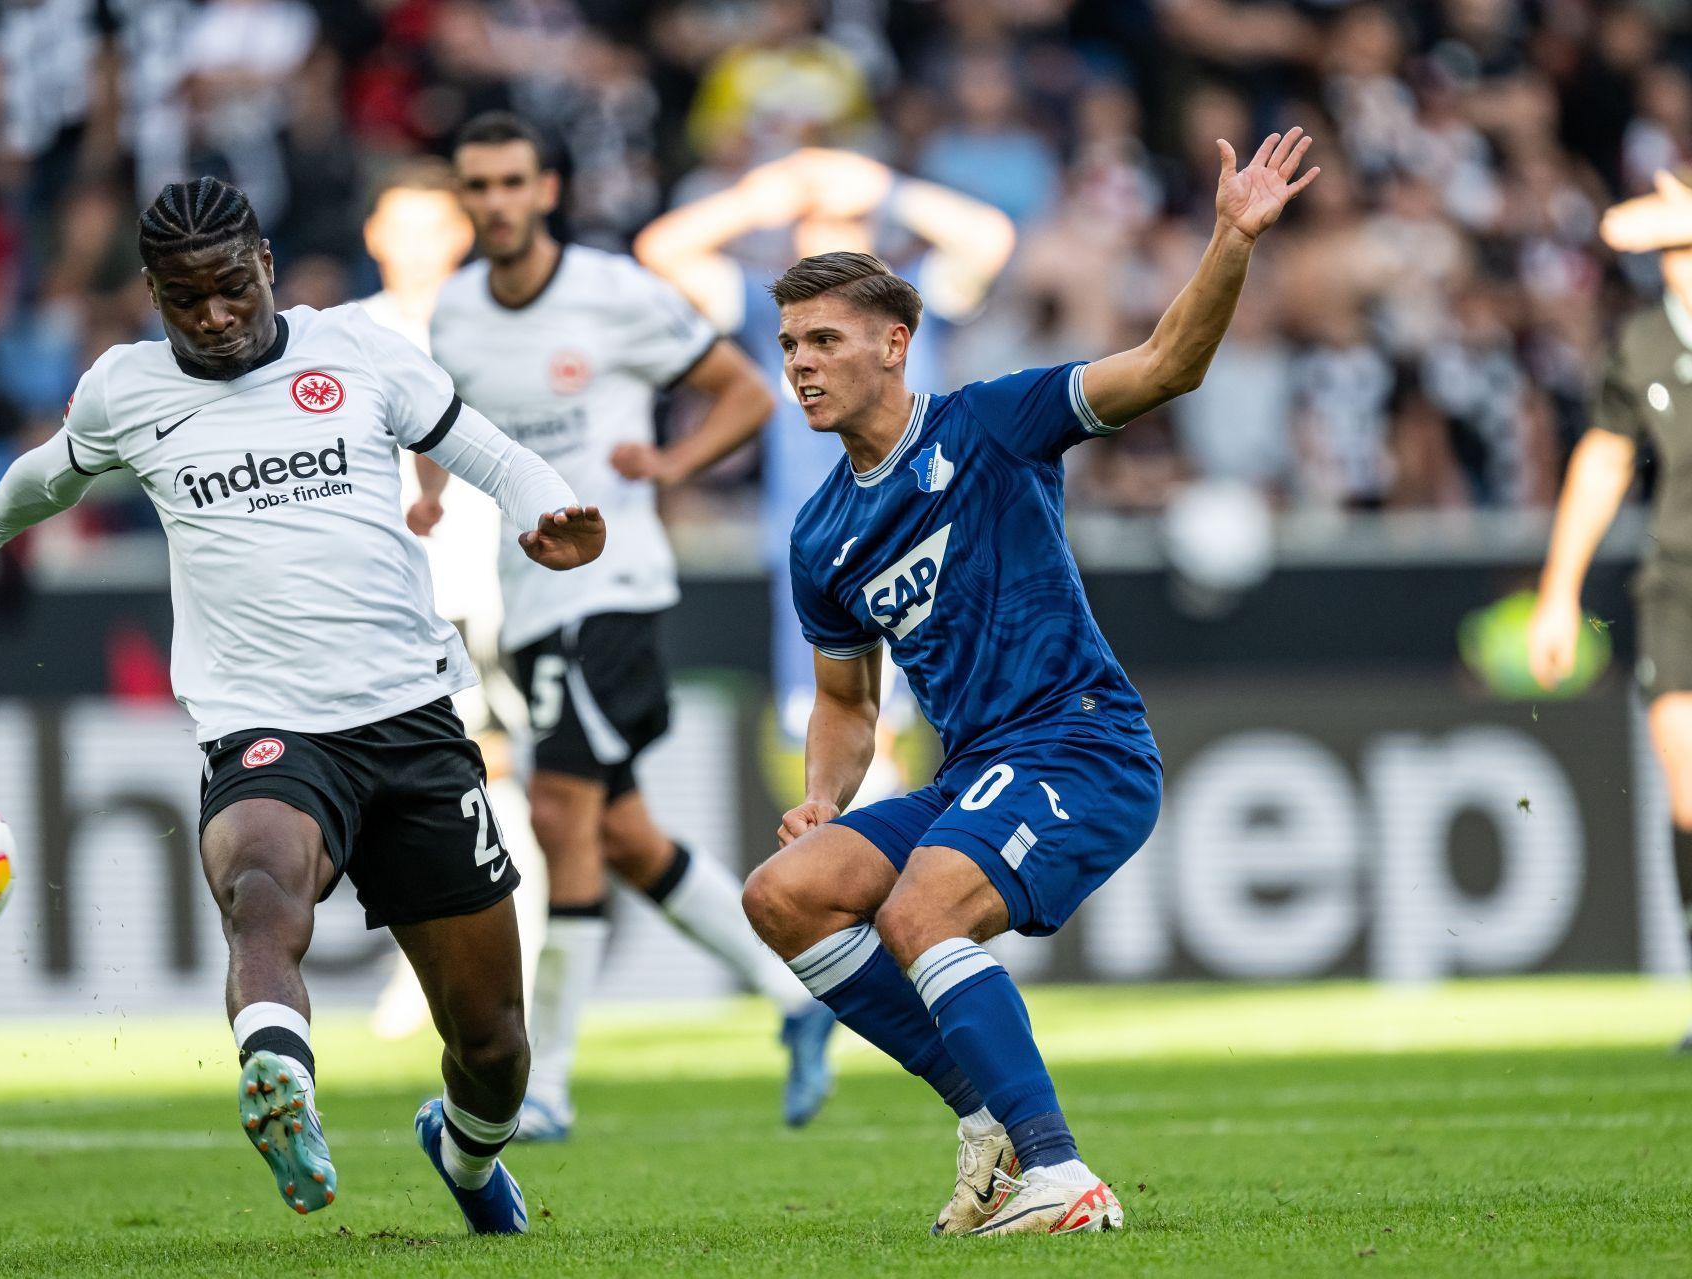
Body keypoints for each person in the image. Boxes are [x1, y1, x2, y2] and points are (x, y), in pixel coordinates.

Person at [0, 176, 607, 1234]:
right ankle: (279, 1082)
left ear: (268, 265)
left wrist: (547, 509)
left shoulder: (359, 351)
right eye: (186, 298)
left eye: (232, 287)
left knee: (493, 1041)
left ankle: (467, 1161)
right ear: (151, 293)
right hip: (265, 725)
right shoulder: (124, 390)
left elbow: (489, 456)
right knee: (263, 891)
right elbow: (48, 477)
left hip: (412, 719)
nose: (216, 315)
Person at [740, 130, 1319, 1237]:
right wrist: (827, 793)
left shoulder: (994, 424)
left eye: (824, 340)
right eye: (789, 345)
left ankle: (1061, 1174)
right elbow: (848, 702)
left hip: (1078, 745)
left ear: (896, 343)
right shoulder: (821, 534)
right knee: (787, 891)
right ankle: (991, 1117)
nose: (800, 364)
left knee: (919, 912)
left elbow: (1165, 366)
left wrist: (1231, 239)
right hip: (974, 772)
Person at [421, 111, 838, 1141]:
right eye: (478, 185)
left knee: (560, 815)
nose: (497, 202)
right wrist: (427, 492)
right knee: (621, 832)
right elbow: (437, 412)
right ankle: (796, 997)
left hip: (617, 588)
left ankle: (546, 1083)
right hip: (528, 602)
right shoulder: (459, 311)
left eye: (514, 181)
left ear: (548, 190)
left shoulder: (614, 293)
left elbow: (744, 390)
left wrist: (673, 466)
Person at [634, 146, 1014, 744]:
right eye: (815, 226)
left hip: (928, 545)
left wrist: (883, 187)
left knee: (940, 744)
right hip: (821, 559)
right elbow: (660, 253)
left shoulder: (912, 303)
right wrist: (756, 197)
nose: (832, 247)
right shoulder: (774, 314)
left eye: (848, 226)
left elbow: (990, 239)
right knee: (821, 745)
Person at [355, 160, 545, 1043]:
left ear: (460, 237)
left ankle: (507, 975)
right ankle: (437, 973)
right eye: (402, 225)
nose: (417, 244)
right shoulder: (343, 334)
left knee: (486, 778)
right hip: (379, 600)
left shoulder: (491, 323)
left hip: (478, 587)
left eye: (435, 227)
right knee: (404, 793)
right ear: (374, 235)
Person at [1531, 169, 1692, 1052]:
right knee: (1689, 782)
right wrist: (1559, 592)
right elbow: (1603, 461)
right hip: (1680, 576)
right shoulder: (1643, 343)